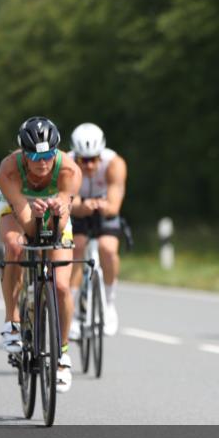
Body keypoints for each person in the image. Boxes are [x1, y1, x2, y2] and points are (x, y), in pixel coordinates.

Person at [0, 117, 81, 393]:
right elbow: (28, 227)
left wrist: (54, 216)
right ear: (23, 153)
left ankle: (62, 356)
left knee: (62, 286)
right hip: (16, 207)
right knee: (16, 247)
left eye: (48, 155)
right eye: (34, 156)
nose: (42, 163)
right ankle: (12, 321)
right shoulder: (8, 170)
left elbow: (60, 227)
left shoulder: (69, 170)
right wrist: (36, 217)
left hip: (53, 211)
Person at [67, 122, 128, 339]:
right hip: (77, 210)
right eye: (84, 160)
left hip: (104, 211)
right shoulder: (65, 164)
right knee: (77, 247)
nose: (89, 165)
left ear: (101, 154)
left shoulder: (115, 164)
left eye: (94, 159)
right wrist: (80, 207)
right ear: (76, 155)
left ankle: (109, 304)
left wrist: (103, 206)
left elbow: (114, 205)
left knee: (108, 249)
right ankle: (71, 311)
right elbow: (62, 200)